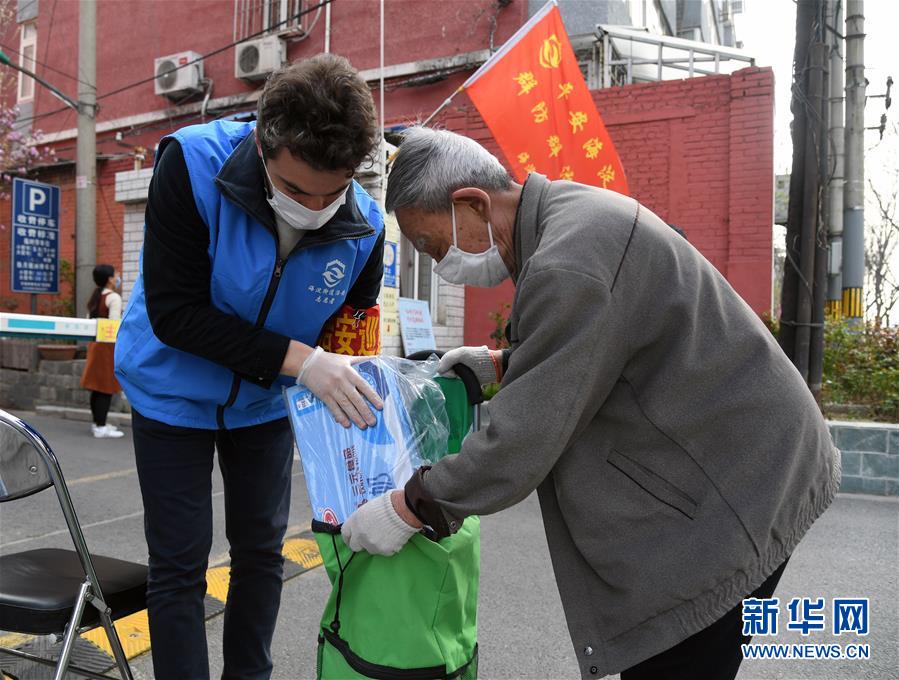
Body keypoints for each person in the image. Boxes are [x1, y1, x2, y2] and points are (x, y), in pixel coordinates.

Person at [341, 127, 841, 680]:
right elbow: (610, 347)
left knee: (678, 649)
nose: (441, 266)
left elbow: (522, 441)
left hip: (738, 489)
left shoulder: (566, 262)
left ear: (471, 203)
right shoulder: (569, 213)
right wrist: (506, 364)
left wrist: (411, 506)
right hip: (750, 457)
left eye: (435, 247)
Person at [114, 54, 385, 680]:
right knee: (180, 564)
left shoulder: (364, 227)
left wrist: (360, 387)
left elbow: (351, 329)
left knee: (262, 555)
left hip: (265, 405)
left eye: (330, 192)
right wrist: (302, 360)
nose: (312, 206)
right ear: (264, 145)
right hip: (171, 392)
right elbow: (175, 313)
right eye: (293, 189)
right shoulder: (192, 164)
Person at [80, 264, 124, 439]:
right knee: (105, 387)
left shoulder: (95, 297)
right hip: (107, 345)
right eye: (116, 274)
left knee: (96, 387)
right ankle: (101, 426)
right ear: (110, 279)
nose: (118, 276)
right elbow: (114, 324)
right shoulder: (113, 297)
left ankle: (97, 424)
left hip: (95, 344)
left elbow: (88, 321)